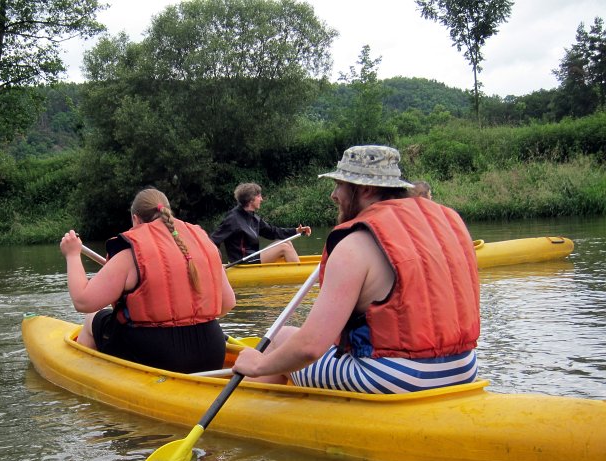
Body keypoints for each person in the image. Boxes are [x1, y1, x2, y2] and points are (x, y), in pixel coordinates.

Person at [233, 145, 480, 393]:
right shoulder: (448, 224)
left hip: (396, 378)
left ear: (365, 189)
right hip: (464, 368)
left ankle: (251, 415)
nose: (334, 194)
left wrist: (259, 365)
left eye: (340, 184)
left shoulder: (354, 245)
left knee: (282, 337)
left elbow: (310, 347)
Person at [60, 187, 236, 373]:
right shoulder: (203, 243)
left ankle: (90, 384)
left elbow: (82, 301)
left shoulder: (131, 252)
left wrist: (72, 255)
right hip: (212, 352)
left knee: (91, 320)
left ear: (135, 218)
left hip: (158, 357)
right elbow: (227, 304)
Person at [210, 182, 311, 264]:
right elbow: (213, 241)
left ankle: (293, 268)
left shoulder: (253, 217)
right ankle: (302, 281)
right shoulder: (233, 219)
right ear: (250, 199)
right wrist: (216, 264)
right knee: (284, 248)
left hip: (253, 255)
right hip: (243, 261)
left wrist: (296, 231)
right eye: (259, 196)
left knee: (286, 242)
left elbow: (273, 232)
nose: (262, 199)